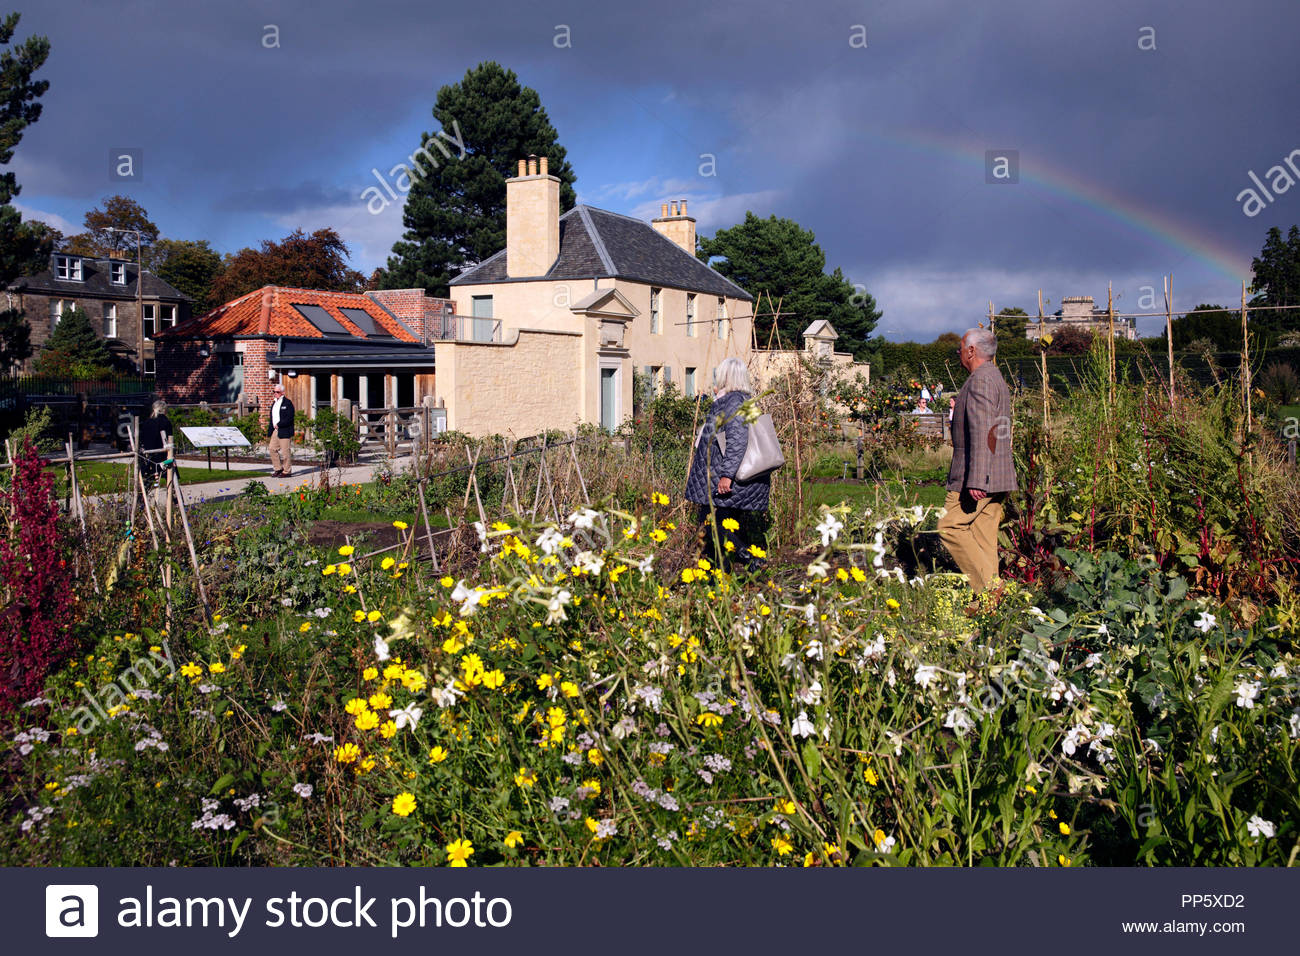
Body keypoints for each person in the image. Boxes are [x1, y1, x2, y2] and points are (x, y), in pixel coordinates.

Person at [937, 328, 1017, 594]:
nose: (959, 353)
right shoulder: (995, 377)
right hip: (998, 474)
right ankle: (988, 607)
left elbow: (984, 431)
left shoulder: (980, 380)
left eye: (960, 348)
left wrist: (978, 478)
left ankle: (990, 592)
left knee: (949, 527)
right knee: (983, 537)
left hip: (977, 476)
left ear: (971, 351)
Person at [684, 357, 770, 573]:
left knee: (712, 524)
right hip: (733, 477)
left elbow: (738, 441)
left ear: (725, 377)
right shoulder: (740, 400)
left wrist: (726, 476)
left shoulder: (733, 402)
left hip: (726, 477)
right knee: (719, 529)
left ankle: (749, 558)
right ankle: (719, 579)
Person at [137, 399, 173, 490]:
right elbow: (169, 439)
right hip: (164, 455)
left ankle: (141, 501)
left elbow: (142, 438)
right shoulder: (166, 422)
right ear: (164, 410)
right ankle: (176, 500)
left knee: (148, 479)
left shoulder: (148, 422)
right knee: (171, 479)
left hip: (150, 455)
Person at [267, 382, 296, 478]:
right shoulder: (274, 403)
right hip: (275, 431)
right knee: (272, 448)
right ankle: (278, 469)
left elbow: (289, 418)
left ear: (283, 392)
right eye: (274, 392)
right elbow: (272, 418)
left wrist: (279, 424)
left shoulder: (287, 403)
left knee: (285, 452)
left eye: (277, 392)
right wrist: (270, 430)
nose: (275, 393)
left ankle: (287, 471)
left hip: (285, 430)